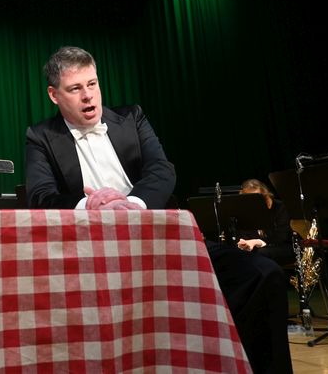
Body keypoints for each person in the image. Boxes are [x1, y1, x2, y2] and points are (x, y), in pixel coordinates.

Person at [26, 46, 292, 374]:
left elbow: (162, 170)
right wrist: (91, 205)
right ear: (54, 95)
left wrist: (132, 205)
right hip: (94, 255)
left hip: (160, 240)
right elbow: (40, 196)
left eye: (92, 84)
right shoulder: (40, 136)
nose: (88, 96)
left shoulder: (131, 117)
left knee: (263, 275)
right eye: (75, 88)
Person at [236, 178, 295, 265]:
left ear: (265, 196)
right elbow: (244, 234)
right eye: (250, 199)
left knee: (259, 254)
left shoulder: (280, 207)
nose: (254, 203)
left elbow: (281, 237)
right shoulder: (247, 211)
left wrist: (257, 242)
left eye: (258, 198)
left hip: (284, 247)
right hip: (259, 250)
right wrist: (244, 243)